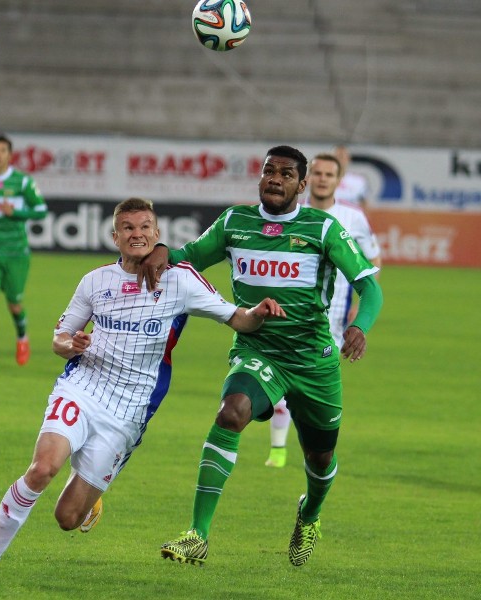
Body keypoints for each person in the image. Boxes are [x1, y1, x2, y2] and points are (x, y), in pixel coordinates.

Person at [0, 198, 286, 580]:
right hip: (82, 387)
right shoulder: (95, 281)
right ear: (115, 237)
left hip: (129, 408)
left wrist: (257, 314)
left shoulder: (181, 281)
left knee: (67, 518)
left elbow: (236, 319)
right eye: (128, 228)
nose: (137, 234)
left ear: (157, 234)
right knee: (42, 468)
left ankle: (90, 499)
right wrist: (71, 344)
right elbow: (59, 338)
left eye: (145, 227)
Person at [137, 146, 383, 567]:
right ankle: (197, 534)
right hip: (257, 349)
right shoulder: (236, 221)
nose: (275, 178)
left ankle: (309, 515)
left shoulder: (322, 229)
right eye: (269, 170)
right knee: (231, 412)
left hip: (312, 359)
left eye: (286, 173)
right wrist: (163, 250)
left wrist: (360, 327)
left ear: (301, 185)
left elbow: (370, 287)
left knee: (319, 459)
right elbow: (191, 256)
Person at [265, 153, 382, 468]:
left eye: (329, 174)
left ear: (338, 180)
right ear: (307, 178)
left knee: (310, 394)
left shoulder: (353, 217)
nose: (322, 179)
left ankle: (313, 454)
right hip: (293, 314)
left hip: (335, 318)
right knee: (282, 379)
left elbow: (372, 260)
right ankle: (278, 449)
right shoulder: (293, 215)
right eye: (317, 173)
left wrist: (362, 305)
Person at [0, 133, 47, 372]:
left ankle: (22, 337)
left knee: (14, 304)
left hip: (16, 253)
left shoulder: (22, 182)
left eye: (2, 151)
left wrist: (16, 213)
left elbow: (41, 210)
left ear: (9, 155)